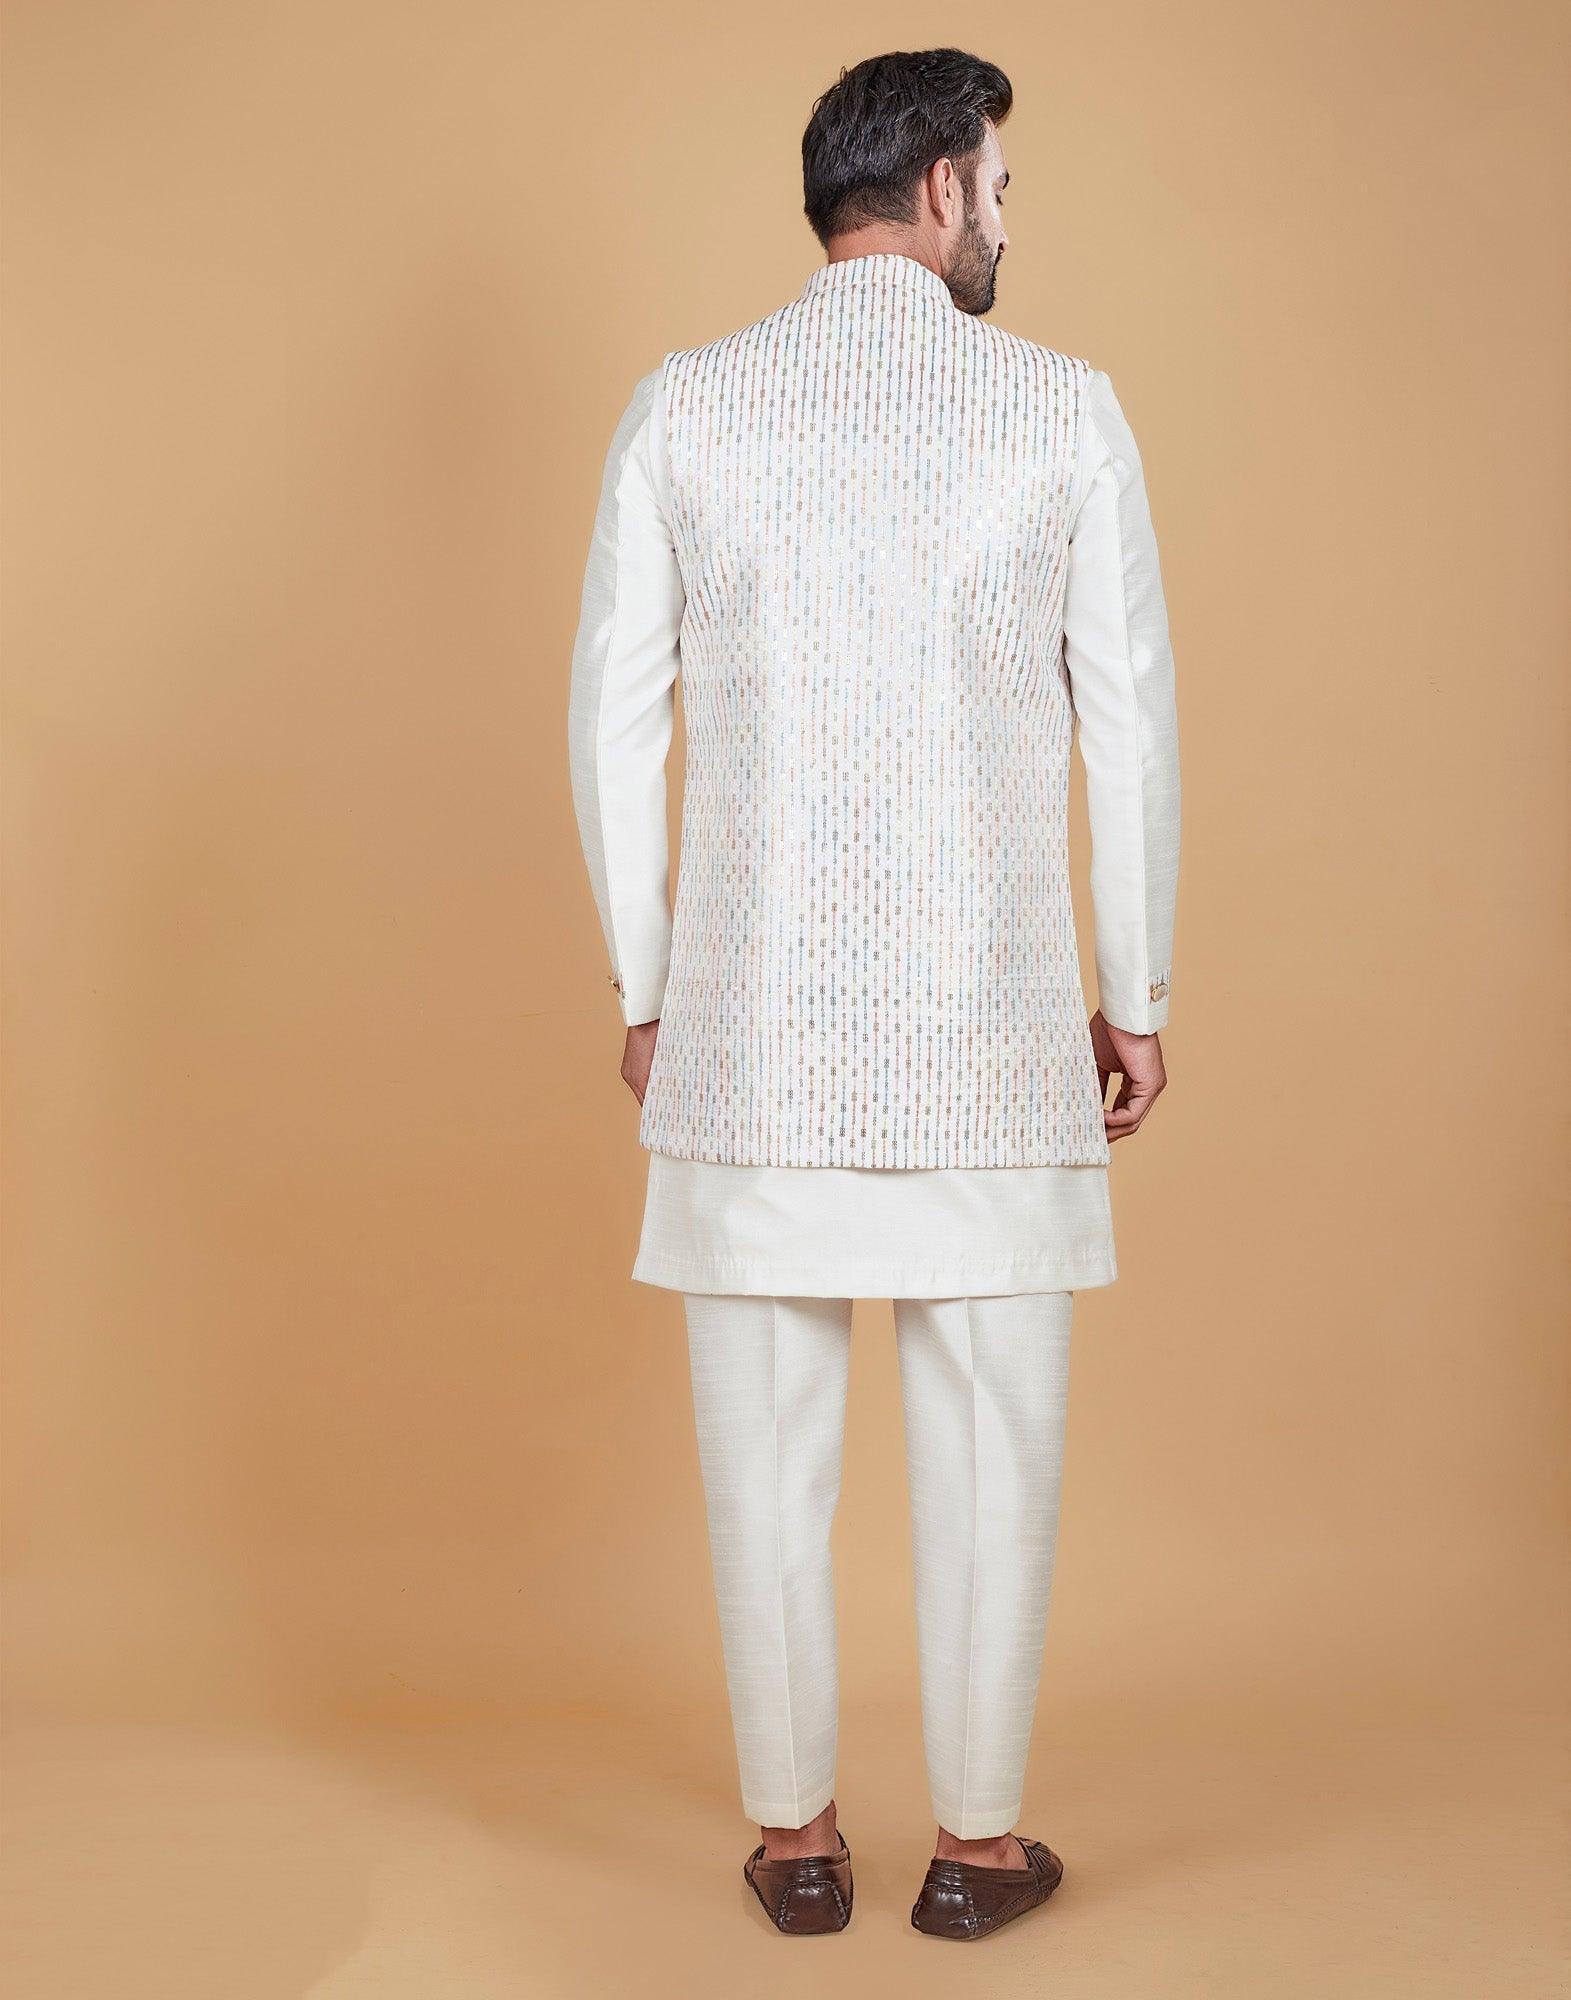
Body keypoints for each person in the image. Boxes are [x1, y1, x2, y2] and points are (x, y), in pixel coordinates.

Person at [566, 46, 1180, 1941]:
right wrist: (1133, 990)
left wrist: (649, 985)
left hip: (748, 1036)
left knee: (762, 1449)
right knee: (996, 1438)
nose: (1003, 220)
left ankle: (798, 1841)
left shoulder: (686, 405)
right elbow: (1128, 728)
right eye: (997, 185)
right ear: (934, 188)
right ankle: (977, 1855)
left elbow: (614, 722)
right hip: (994, 1027)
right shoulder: (1062, 411)